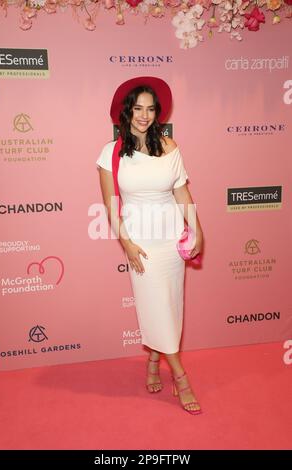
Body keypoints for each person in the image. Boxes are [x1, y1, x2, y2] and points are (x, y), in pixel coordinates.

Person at [96, 76, 204, 415]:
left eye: (150, 108)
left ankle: (154, 361)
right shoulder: (110, 153)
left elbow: (182, 192)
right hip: (140, 243)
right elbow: (111, 205)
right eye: (137, 108)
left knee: (169, 305)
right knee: (155, 305)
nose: (144, 115)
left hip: (171, 239)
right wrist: (126, 243)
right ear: (126, 112)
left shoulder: (170, 147)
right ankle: (181, 376)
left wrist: (198, 230)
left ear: (157, 113)